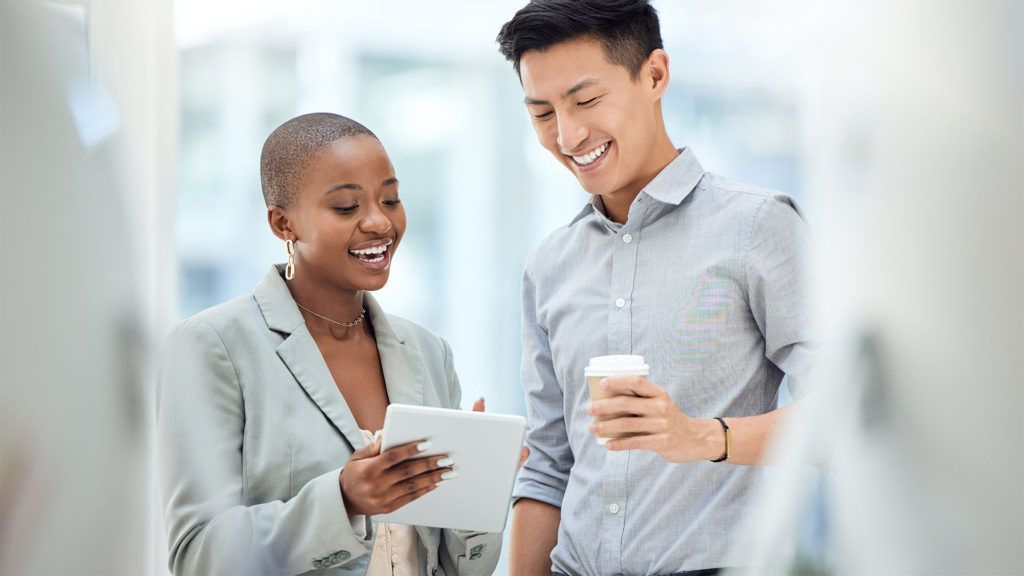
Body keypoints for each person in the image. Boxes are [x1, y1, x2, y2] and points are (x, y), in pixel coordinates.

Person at [495, 1, 815, 575]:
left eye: (586, 100)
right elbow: (547, 466)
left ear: (656, 75)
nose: (568, 135)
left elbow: (844, 416)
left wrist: (700, 437)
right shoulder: (550, 264)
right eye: (542, 113)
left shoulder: (756, 227)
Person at [157, 113, 501, 575]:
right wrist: (343, 500)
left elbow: (462, 567)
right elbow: (197, 556)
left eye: (391, 199)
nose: (380, 222)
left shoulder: (427, 351)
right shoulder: (212, 346)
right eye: (345, 207)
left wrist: (479, 489)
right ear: (283, 224)